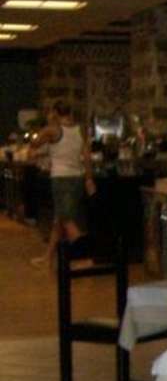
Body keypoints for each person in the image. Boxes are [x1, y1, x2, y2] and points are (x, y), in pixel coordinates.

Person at [31, 101, 94, 270]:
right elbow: (87, 156)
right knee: (59, 219)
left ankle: (85, 257)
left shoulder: (53, 129)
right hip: (77, 177)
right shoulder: (80, 129)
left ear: (55, 112)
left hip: (61, 178)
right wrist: (89, 179)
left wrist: (49, 123)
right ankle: (48, 257)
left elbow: (34, 142)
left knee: (66, 218)